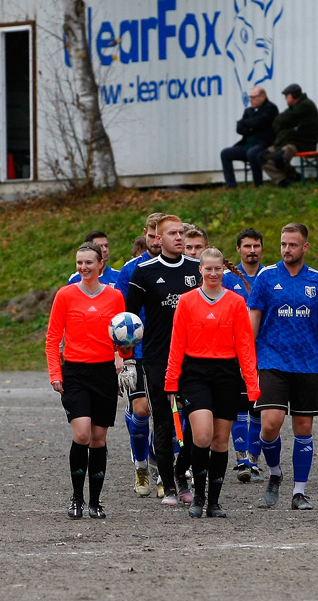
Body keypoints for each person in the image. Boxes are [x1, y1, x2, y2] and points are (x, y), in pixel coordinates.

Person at [248, 223, 318, 510]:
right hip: (272, 361)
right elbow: (254, 317)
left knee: (303, 428)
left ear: (305, 247)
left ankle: (299, 493)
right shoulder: (266, 277)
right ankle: (275, 472)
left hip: (307, 364)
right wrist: (247, 358)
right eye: (283, 244)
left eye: (292, 245)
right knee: (270, 424)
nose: (287, 249)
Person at [165, 247, 260, 518]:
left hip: (226, 374)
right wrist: (171, 382)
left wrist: (252, 385)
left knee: (220, 441)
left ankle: (214, 502)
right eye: (208, 269)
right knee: (202, 435)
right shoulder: (186, 301)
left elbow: (245, 345)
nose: (213, 273)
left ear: (224, 270)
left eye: (218, 269)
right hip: (195, 373)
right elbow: (176, 345)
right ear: (200, 271)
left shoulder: (235, 302)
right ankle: (198, 496)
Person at [125, 214, 202, 507]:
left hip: (194, 357)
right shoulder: (144, 272)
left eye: (182, 232)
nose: (179, 237)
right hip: (158, 358)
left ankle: (183, 475)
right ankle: (168, 485)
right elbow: (128, 319)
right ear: (158, 238)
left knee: (196, 422)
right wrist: (127, 358)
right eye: (172, 233)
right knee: (163, 422)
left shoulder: (197, 269)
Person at [47, 242, 126, 519]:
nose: (83, 267)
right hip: (76, 373)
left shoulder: (115, 297)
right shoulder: (65, 295)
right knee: (81, 433)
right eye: (79, 262)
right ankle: (77, 499)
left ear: (100, 264)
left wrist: (124, 354)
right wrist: (56, 374)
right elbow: (53, 339)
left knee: (98, 438)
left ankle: (95, 501)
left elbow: (122, 339)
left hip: (104, 373)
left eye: (88, 262)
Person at [115, 213, 165, 498]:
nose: (156, 239)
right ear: (145, 234)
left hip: (168, 352)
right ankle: (142, 467)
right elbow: (119, 315)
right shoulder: (131, 269)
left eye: (162, 234)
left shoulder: (182, 269)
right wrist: (120, 354)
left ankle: (162, 471)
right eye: (152, 233)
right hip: (139, 353)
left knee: (167, 414)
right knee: (143, 410)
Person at [222, 227, 266, 482]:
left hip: (264, 354)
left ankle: (255, 460)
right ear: (238, 249)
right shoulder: (228, 279)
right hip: (234, 354)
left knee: (258, 409)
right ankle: (242, 461)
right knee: (239, 407)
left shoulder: (270, 277)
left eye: (256, 246)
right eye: (247, 246)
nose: (252, 251)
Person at [262, 84, 318, 188]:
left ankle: (293, 176)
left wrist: (283, 124)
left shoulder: (305, 106)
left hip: (302, 143)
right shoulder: (293, 107)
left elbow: (283, 120)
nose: (285, 98)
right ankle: (283, 180)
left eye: (287, 95)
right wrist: (283, 124)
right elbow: (277, 121)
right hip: (287, 141)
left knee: (279, 157)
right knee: (262, 156)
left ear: (293, 95)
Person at [220, 85, 278, 188]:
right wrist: (250, 125)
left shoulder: (271, 108)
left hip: (263, 143)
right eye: (250, 97)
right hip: (247, 144)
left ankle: (258, 184)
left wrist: (247, 123)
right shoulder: (249, 111)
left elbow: (259, 122)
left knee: (252, 154)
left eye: (253, 97)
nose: (251, 100)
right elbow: (239, 128)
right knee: (225, 153)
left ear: (262, 96)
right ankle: (231, 185)